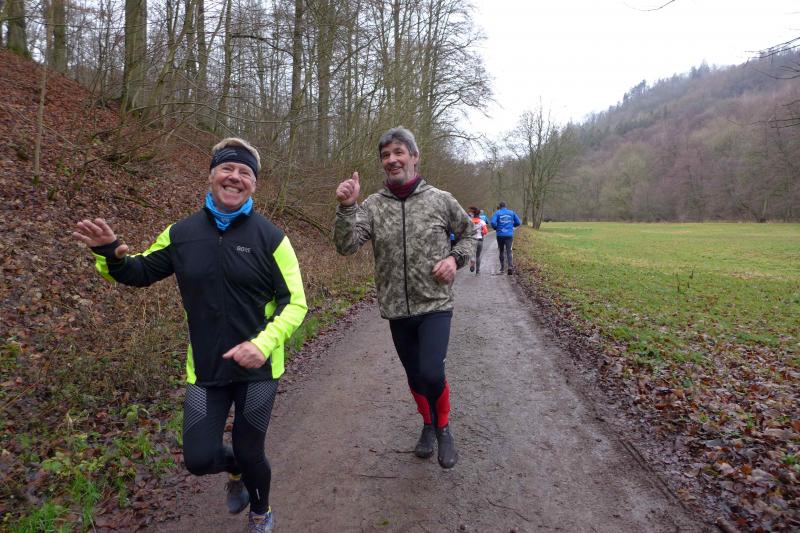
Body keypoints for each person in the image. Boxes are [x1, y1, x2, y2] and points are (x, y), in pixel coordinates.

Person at [72, 138, 307, 533]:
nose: (234, 177)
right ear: (211, 175)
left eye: (244, 172)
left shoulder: (271, 238)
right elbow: (139, 272)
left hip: (259, 370)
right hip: (205, 367)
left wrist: (263, 344)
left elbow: (296, 303)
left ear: (254, 184)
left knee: (252, 451)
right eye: (227, 168)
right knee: (198, 459)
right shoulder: (182, 233)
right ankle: (234, 469)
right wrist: (109, 253)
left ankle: (260, 513)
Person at [333, 126, 475, 469]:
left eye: (399, 152)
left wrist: (453, 260)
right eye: (385, 155)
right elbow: (346, 246)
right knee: (414, 376)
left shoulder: (440, 199)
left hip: (435, 304)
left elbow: (469, 234)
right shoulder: (372, 206)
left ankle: (443, 428)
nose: (392, 159)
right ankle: (427, 424)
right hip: (397, 308)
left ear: (414, 156)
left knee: (431, 371)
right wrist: (347, 208)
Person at [490, 201, 521, 275]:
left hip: (500, 235)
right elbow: (518, 222)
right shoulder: (511, 212)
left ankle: (502, 268)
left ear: (499, 206)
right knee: (509, 251)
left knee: (501, 251)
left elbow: (493, 222)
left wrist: (496, 228)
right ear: (505, 206)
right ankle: (510, 267)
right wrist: (512, 225)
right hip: (509, 235)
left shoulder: (497, 213)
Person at [468, 207, 488, 274]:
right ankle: (478, 270)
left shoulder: (469, 221)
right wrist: (482, 232)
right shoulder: (482, 222)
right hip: (479, 240)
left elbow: (466, 230)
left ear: (473, 214)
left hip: (472, 240)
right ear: (479, 214)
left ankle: (472, 262)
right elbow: (485, 231)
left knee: (472, 254)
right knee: (478, 256)